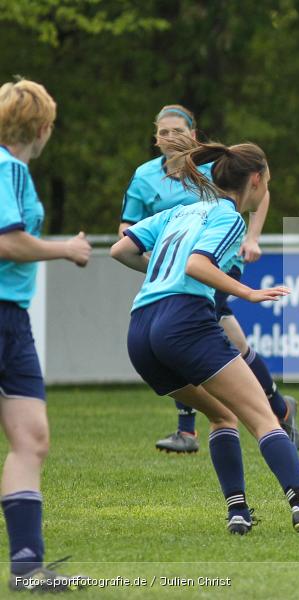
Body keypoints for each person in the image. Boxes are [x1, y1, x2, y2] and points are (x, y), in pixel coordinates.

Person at [111, 137, 299, 535]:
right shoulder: (229, 218)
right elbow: (197, 265)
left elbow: (120, 249)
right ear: (255, 180)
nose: (267, 188)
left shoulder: (180, 211)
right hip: (184, 320)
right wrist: (249, 293)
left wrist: (159, 273)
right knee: (262, 417)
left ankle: (238, 513)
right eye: (268, 181)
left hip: (141, 330)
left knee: (221, 415)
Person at [118, 104, 299, 454]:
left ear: (194, 134)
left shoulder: (213, 166)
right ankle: (278, 408)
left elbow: (259, 192)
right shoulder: (143, 177)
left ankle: (192, 429)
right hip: (176, 275)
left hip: (210, 268)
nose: (170, 137)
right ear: (155, 137)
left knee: (185, 333)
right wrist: (161, 261)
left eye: (177, 130)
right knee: (232, 342)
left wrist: (252, 238)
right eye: (163, 131)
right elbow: (126, 231)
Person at [0, 78, 92, 591]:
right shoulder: (7, 169)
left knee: (31, 439)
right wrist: (65, 249)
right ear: (42, 127)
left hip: (12, 320)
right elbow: (8, 243)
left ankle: (26, 568)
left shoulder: (14, 171)